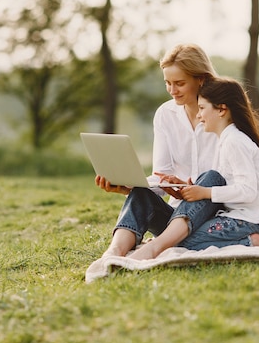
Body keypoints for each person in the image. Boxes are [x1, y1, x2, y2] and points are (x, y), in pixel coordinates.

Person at [128, 76, 259, 260]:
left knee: (179, 240)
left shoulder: (234, 142)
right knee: (177, 235)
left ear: (221, 110)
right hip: (241, 218)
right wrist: (190, 187)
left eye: (202, 108)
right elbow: (230, 184)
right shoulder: (227, 139)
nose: (198, 115)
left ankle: (251, 241)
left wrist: (205, 193)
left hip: (252, 221)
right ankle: (161, 243)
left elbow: (247, 191)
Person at [95, 43, 222, 258]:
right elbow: (160, 176)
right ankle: (114, 253)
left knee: (210, 178)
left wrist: (190, 188)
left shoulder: (222, 113)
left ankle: (154, 248)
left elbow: (227, 178)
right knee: (141, 192)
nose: (172, 91)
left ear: (201, 78)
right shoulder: (165, 114)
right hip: (176, 221)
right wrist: (129, 186)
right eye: (168, 83)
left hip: (216, 217)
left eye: (180, 83)